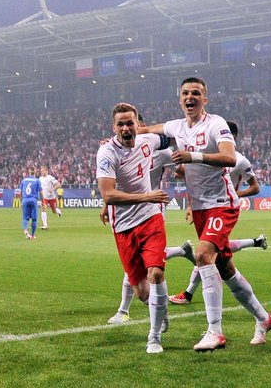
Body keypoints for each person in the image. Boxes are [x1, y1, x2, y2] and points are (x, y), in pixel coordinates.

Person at [142, 77, 271, 351]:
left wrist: (194, 156)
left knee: (202, 255)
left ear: (205, 99)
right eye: (185, 93)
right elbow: (145, 130)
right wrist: (120, 138)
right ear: (180, 98)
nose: (190, 97)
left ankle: (215, 332)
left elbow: (229, 157)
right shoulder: (176, 126)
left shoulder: (216, 123)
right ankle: (264, 318)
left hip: (221, 202)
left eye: (196, 93)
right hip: (202, 207)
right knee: (225, 269)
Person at [97, 102, 171, 354]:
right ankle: (160, 311)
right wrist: (146, 196)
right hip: (124, 226)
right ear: (113, 127)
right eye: (121, 124)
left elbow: (175, 134)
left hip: (151, 219)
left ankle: (154, 337)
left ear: (138, 124)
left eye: (130, 123)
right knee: (142, 292)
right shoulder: (106, 153)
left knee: (157, 274)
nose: (126, 128)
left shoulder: (149, 140)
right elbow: (108, 194)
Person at [107, 113, 195, 325]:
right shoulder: (117, 151)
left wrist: (188, 192)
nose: (130, 129)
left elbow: (184, 171)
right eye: (125, 125)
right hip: (126, 213)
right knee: (138, 270)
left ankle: (123, 310)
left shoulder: (161, 151)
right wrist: (105, 206)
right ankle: (182, 251)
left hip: (152, 210)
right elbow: (113, 184)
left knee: (150, 268)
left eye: (135, 124)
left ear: (143, 126)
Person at [169, 121, 268, 306]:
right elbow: (198, 182)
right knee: (216, 255)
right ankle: (256, 242)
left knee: (205, 252)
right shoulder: (208, 157)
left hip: (224, 208)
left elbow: (255, 187)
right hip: (206, 207)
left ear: (232, 138)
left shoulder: (240, 160)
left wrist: (235, 194)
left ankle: (189, 294)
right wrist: (190, 202)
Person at [20, 167, 42, 239]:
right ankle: (32, 235)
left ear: (29, 172)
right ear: (35, 172)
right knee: (34, 219)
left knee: (25, 218)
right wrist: (42, 201)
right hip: (33, 200)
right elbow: (41, 192)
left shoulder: (24, 180)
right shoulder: (37, 180)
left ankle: (25, 230)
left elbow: (20, 192)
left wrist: (21, 201)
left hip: (25, 200)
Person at [38, 165, 62, 230]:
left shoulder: (50, 178)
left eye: (42, 171)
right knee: (43, 208)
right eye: (41, 171)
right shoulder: (40, 179)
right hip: (44, 197)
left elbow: (58, 184)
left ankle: (57, 210)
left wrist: (53, 189)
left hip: (52, 197)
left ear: (46, 171)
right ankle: (45, 225)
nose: (41, 172)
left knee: (53, 211)